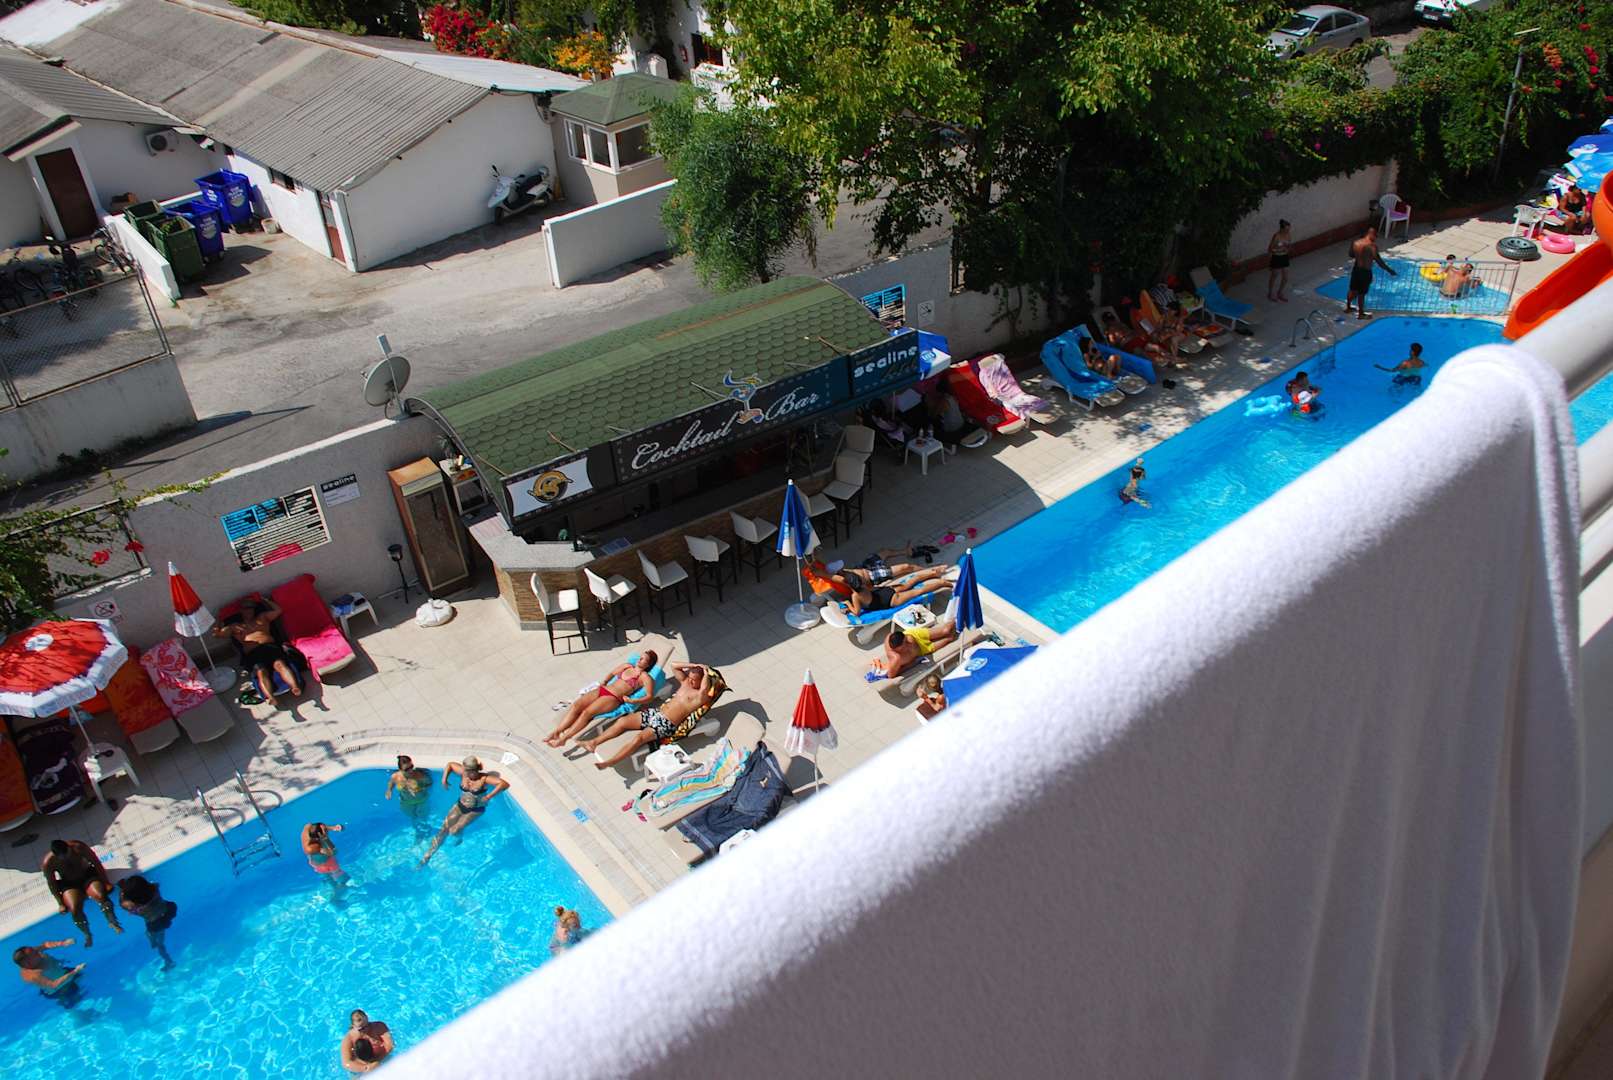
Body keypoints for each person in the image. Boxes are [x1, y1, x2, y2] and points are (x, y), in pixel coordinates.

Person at [581, 662, 727, 770]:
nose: (690, 680)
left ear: (702, 681)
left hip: (666, 724)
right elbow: (674, 665)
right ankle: (593, 742)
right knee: (622, 721)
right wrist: (693, 666)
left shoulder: (700, 696)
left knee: (638, 739)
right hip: (656, 713)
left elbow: (704, 688)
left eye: (694, 679)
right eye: (689, 677)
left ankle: (611, 761)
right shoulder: (685, 683)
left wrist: (706, 673)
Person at [544, 652, 659, 747]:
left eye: (643, 659)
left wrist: (633, 701)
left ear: (648, 664)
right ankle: (557, 732)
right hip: (603, 689)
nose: (639, 659)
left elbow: (649, 697)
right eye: (640, 657)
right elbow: (612, 673)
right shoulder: (627, 666)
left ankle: (563, 739)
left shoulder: (645, 678)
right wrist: (604, 682)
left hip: (613, 698)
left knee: (586, 713)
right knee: (576, 706)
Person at [419, 756, 509, 866]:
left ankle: (459, 837)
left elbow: (504, 784)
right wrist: (444, 779)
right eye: (466, 770)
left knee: (454, 830)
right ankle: (428, 856)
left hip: (475, 810)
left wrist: (489, 796)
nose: (467, 773)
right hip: (459, 805)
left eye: (470, 771)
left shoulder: (484, 778)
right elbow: (450, 764)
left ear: (476, 769)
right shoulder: (464, 773)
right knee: (443, 830)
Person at [213, 598, 302, 703]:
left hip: (270, 647)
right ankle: (271, 697)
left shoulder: (262, 617)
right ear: (241, 610)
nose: (249, 611)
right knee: (261, 671)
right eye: (246, 608)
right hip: (253, 652)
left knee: (280, 665)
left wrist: (266, 600)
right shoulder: (235, 627)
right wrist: (219, 620)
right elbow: (217, 635)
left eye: (251, 608)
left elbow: (278, 610)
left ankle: (295, 687)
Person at [41, 838, 123, 946]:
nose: (65, 858)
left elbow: (96, 863)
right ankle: (87, 934)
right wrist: (60, 903)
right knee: (74, 909)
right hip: (69, 883)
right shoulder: (49, 862)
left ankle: (113, 922)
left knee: (101, 896)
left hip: (87, 875)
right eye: (61, 857)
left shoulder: (78, 847)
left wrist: (105, 882)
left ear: (68, 847)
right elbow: (52, 883)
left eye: (66, 854)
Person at [117, 874, 178, 970]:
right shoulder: (155, 889)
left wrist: (122, 889)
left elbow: (123, 903)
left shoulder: (136, 907)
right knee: (155, 934)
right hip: (168, 911)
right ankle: (156, 945)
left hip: (155, 923)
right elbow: (153, 884)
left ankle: (168, 961)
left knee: (156, 940)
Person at [873, 620, 959, 679]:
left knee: (946, 631)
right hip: (923, 650)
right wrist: (910, 665)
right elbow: (891, 675)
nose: (908, 640)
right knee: (949, 639)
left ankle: (957, 617)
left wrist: (908, 641)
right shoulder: (896, 658)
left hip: (916, 635)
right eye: (905, 642)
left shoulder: (890, 638)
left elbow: (893, 634)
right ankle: (959, 627)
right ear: (898, 648)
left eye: (906, 639)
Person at [1345, 225, 1398, 320]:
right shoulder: (1372, 246)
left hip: (1356, 270)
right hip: (1365, 272)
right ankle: (1361, 314)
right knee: (1361, 293)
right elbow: (1379, 262)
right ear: (1371, 234)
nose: (1376, 238)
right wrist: (1390, 270)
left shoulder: (1355, 242)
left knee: (1352, 289)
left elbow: (1351, 254)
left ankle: (1348, 307)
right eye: (1376, 236)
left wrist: (1360, 255)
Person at [841, 573, 952, 617]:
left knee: (919, 591)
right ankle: (933, 573)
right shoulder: (865, 585)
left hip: (891, 600)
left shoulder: (855, 596)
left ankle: (942, 583)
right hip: (887, 591)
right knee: (909, 583)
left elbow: (857, 612)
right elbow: (874, 589)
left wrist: (848, 604)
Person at [13, 940, 84, 1002]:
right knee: (76, 998)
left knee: (82, 975)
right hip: (59, 989)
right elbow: (53, 985)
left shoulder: (31, 953)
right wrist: (75, 971)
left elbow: (45, 945)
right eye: (35, 954)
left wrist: (63, 943)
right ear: (28, 963)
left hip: (63, 972)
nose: (38, 951)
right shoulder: (33, 975)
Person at [384, 755, 432, 830]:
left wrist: (420, 788)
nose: (410, 770)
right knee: (412, 817)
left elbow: (429, 783)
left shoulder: (418, 775)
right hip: (406, 802)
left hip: (421, 801)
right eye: (407, 769)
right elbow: (391, 782)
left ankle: (425, 829)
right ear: (400, 769)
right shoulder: (396, 776)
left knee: (423, 817)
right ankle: (416, 829)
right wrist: (389, 790)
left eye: (411, 767)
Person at [341, 1009, 395, 1073]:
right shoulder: (349, 1038)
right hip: (363, 1066)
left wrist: (377, 1061)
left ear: (367, 1019)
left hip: (382, 1058)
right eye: (361, 1029)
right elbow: (346, 1062)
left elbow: (390, 1045)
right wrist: (366, 1068)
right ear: (353, 1026)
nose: (366, 1030)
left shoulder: (379, 1026)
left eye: (367, 1025)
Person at [302, 822, 348, 891]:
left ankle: (334, 886)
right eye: (325, 830)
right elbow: (334, 852)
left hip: (315, 863)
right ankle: (341, 887)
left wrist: (333, 828)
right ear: (320, 835)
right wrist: (326, 838)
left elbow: (310, 825)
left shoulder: (307, 832)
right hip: (326, 863)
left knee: (327, 876)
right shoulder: (316, 847)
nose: (326, 830)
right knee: (342, 878)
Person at [1268, 219, 1293, 301]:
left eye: (1289, 229)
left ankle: (1280, 292)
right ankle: (1270, 293)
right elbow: (1270, 249)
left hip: (1284, 257)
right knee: (1274, 276)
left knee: (1285, 278)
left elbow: (1290, 246)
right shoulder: (1276, 236)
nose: (1288, 231)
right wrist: (1279, 250)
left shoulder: (1288, 235)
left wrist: (1287, 248)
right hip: (1276, 258)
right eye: (1286, 229)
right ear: (1281, 229)